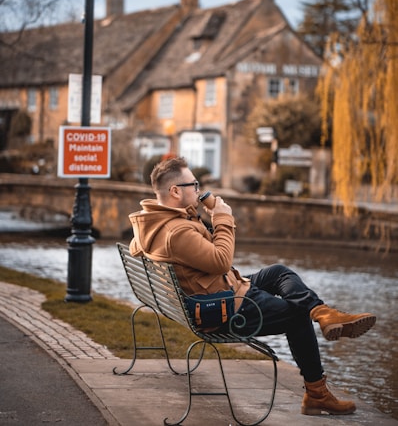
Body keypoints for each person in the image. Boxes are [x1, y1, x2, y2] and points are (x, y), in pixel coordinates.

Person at [129, 156, 376, 416]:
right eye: (194, 184)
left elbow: (197, 256)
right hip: (226, 309)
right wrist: (223, 218)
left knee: (278, 272)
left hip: (217, 293)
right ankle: (317, 393)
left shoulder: (156, 222)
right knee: (297, 315)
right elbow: (222, 261)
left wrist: (198, 212)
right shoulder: (176, 232)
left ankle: (324, 313)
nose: (199, 189)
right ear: (175, 191)